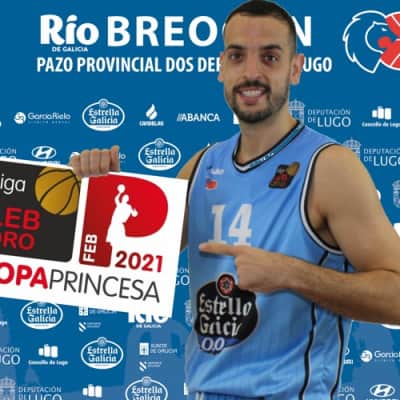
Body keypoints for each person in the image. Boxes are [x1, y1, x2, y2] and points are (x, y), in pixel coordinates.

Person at [70, 1, 400, 399]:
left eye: (270, 57)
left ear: (295, 69)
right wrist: (100, 195)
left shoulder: (329, 168)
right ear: (221, 68)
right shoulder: (202, 166)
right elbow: (122, 271)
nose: (251, 73)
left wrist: (291, 274)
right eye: (237, 56)